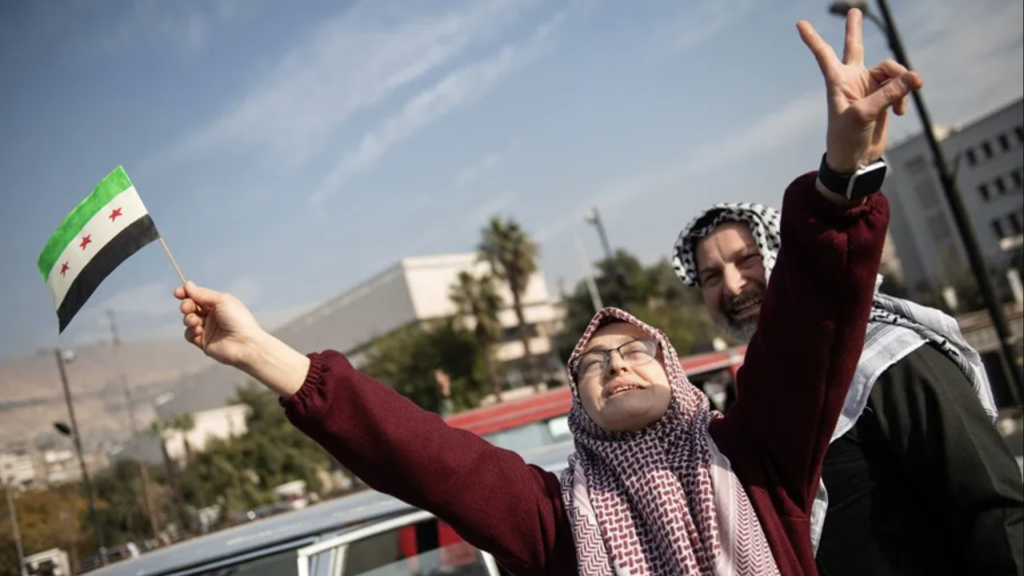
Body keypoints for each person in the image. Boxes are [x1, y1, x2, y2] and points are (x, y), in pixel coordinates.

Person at [174, 11, 913, 575]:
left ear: (676, 371)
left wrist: (843, 175)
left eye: (635, 351)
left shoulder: (757, 455)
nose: (615, 363)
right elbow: (423, 456)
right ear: (577, 406)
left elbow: (807, 330)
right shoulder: (554, 518)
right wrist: (258, 351)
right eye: (593, 363)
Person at [672, 135, 1024, 574]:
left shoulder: (888, 354)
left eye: (747, 259)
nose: (733, 285)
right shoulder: (756, 400)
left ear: (782, 253)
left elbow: (994, 510)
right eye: (711, 276)